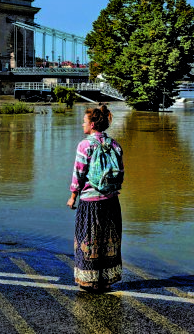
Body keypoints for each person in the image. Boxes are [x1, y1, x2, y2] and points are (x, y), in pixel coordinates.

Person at [67, 105, 124, 291]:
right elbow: (121, 171)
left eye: (84, 121)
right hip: (111, 200)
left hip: (90, 201)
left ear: (92, 125)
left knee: (88, 238)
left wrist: (73, 195)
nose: (82, 124)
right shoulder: (114, 144)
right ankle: (107, 279)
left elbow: (79, 173)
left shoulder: (85, 145)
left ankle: (89, 280)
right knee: (108, 239)